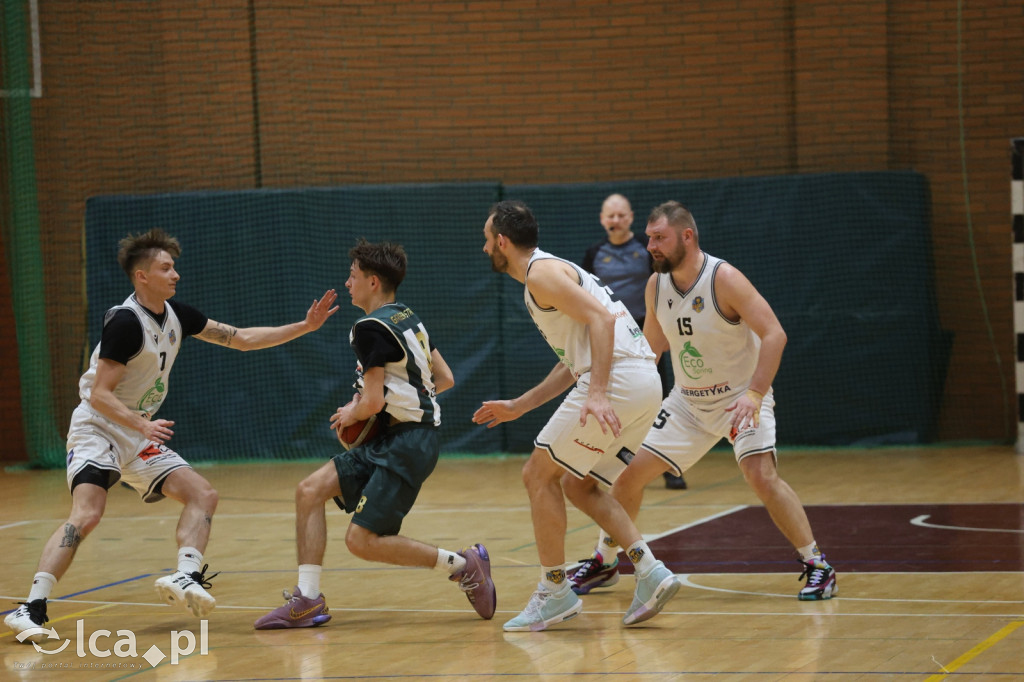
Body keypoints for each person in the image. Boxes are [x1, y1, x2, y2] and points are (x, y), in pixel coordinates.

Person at [4, 228, 340, 644]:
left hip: (135, 432)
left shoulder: (178, 315)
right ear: (142, 276)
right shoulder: (126, 322)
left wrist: (305, 327)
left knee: (203, 494)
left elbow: (242, 339)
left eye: (174, 266)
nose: (175, 274)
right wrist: (142, 424)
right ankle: (30, 608)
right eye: (166, 268)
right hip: (99, 428)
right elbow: (98, 393)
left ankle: (185, 576)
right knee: (87, 513)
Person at [571, 201, 837, 601]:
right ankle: (606, 562)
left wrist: (755, 394)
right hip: (688, 404)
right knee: (628, 477)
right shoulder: (655, 285)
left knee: (760, 477)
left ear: (687, 236)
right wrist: (607, 387)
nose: (651, 247)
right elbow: (651, 351)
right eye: (649, 239)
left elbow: (774, 334)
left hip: (740, 399)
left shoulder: (723, 278)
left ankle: (818, 565)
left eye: (659, 238)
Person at [254, 239, 495, 630]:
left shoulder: (368, 328)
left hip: (408, 444)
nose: (347, 284)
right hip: (402, 437)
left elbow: (370, 401)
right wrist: (393, 403)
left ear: (373, 281)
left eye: (353, 277)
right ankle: (307, 600)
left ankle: (466, 565)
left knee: (361, 541)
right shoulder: (406, 316)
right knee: (309, 491)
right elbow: (445, 378)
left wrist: (357, 409)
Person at [473, 200, 680, 632]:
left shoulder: (541, 275)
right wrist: (521, 405)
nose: (483, 246)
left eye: (487, 238)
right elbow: (575, 358)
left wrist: (600, 393)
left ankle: (555, 592)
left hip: (620, 379)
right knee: (579, 484)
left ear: (503, 242)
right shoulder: (551, 271)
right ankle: (651, 571)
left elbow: (601, 321)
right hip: (643, 382)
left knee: (537, 475)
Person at [581, 193, 686, 494]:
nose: (615, 221)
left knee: (658, 398)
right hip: (609, 334)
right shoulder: (594, 253)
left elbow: (666, 286)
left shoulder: (646, 247)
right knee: (609, 396)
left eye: (621, 215)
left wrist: (663, 330)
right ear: (602, 219)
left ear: (630, 217)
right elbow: (584, 295)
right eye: (610, 216)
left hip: (647, 331)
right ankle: (605, 465)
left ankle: (669, 468)